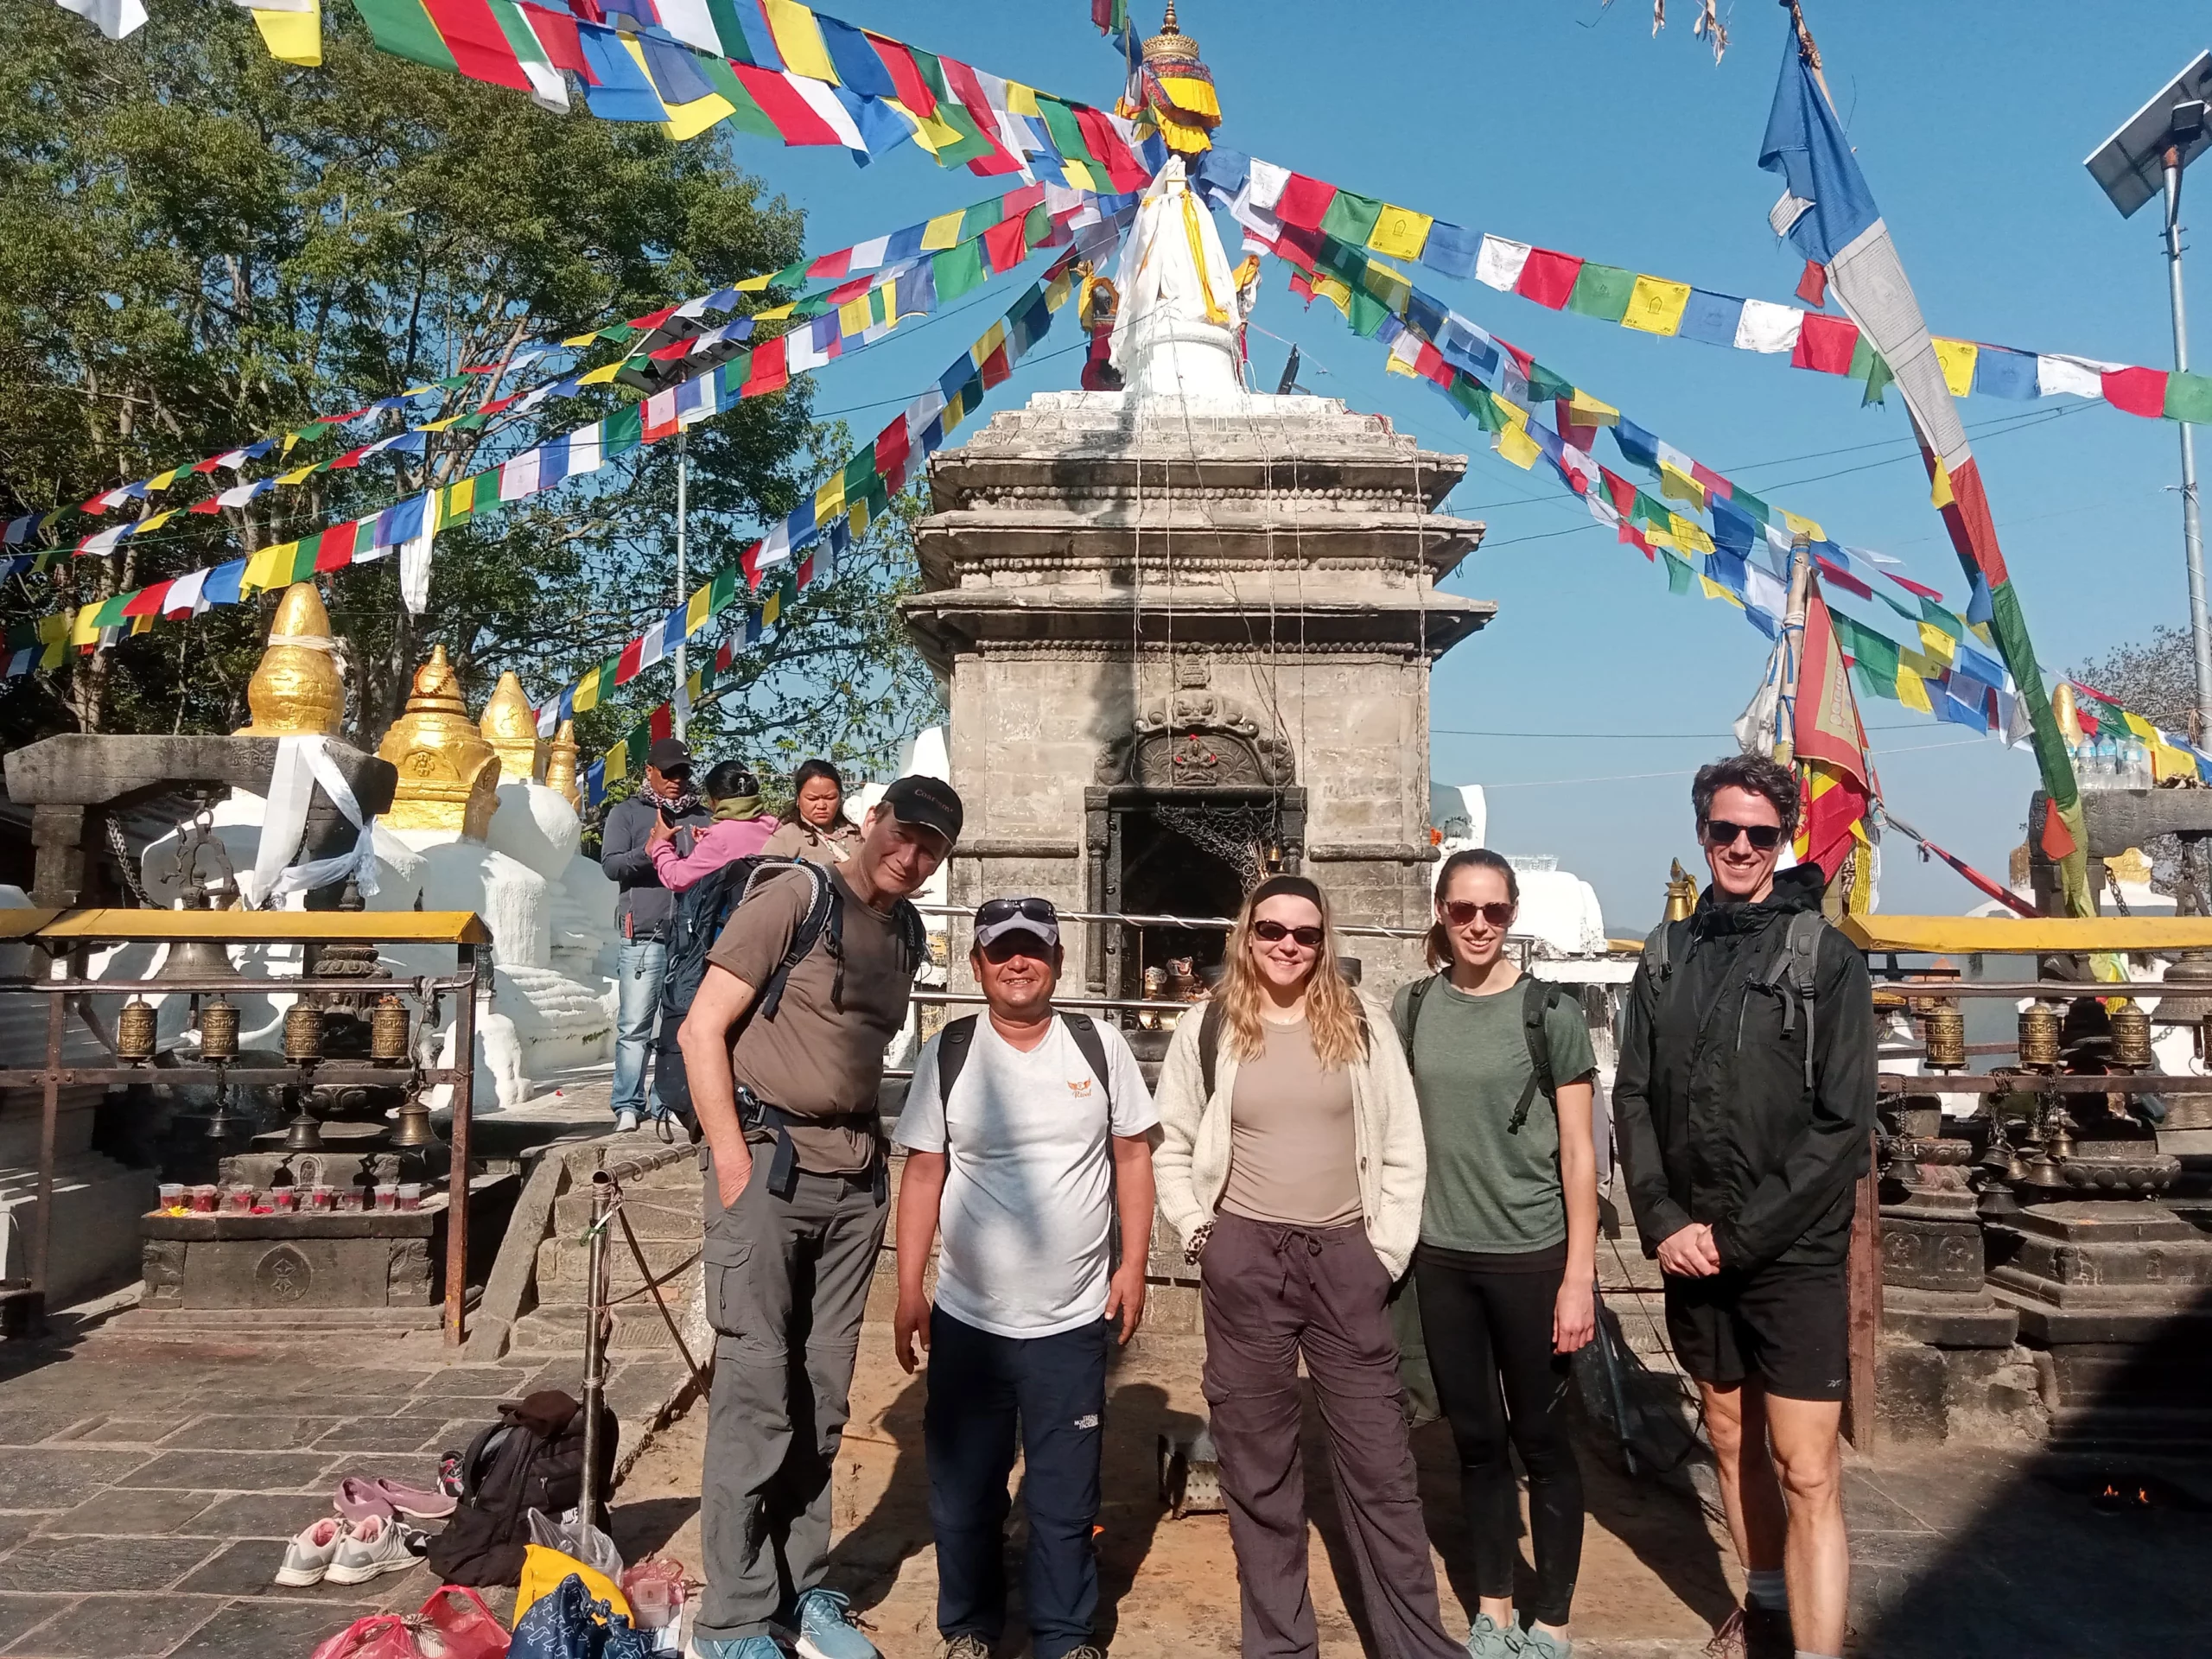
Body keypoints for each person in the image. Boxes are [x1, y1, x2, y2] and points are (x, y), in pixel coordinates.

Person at [677, 773, 963, 1659]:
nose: (909, 858)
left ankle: (801, 1593)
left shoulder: (906, 929)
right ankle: (730, 1616)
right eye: (902, 834)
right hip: (768, 1162)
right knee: (757, 1393)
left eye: (930, 849)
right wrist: (731, 1160)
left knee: (823, 1397)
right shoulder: (796, 896)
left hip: (852, 1176)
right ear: (870, 822)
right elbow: (702, 1029)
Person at [1153, 874, 1460, 1659]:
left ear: (1325, 942)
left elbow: (1401, 1146)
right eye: (1271, 931)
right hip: (1247, 1257)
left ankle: (1415, 1646)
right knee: (1258, 1473)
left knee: (1381, 1469)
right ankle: (1283, 1647)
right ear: (1245, 936)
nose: (1288, 945)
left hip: (1345, 1259)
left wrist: (1383, 1252)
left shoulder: (1360, 1023)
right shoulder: (1209, 1027)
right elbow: (1174, 1144)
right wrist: (1200, 1234)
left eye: (1306, 934)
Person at [1611, 756, 1875, 1659]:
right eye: (1724, 831)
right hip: (1691, 1243)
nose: (1740, 848)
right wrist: (1660, 1220)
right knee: (1727, 1435)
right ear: (1701, 833)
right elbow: (1633, 1098)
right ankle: (1765, 1608)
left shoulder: (1825, 959)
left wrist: (1737, 1237)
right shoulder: (1666, 954)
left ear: (1782, 839)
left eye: (1759, 834)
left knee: (1807, 1469)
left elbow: (1841, 1127)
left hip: (1788, 1253)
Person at [893, 896, 1158, 1659]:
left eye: (1033, 950)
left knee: (1065, 1495)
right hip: (970, 1318)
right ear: (976, 965)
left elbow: (1133, 1158)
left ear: (1058, 961)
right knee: (965, 1489)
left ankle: (1065, 1632)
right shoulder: (949, 1053)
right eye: (1002, 950)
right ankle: (970, 1627)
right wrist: (911, 1290)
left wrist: (1132, 1268)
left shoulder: (1097, 1046)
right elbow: (923, 1175)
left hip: (1072, 1321)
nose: (1018, 963)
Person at [1394, 849, 1599, 1659]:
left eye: (1495, 912)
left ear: (1512, 916)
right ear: (1440, 914)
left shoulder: (1551, 1014)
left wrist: (1578, 1277)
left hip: (1532, 1258)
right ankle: (1494, 1604)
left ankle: (1552, 1617)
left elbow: (1581, 1154)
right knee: (1475, 1442)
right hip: (1443, 1259)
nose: (1479, 926)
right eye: (1463, 911)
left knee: (1543, 1444)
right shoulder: (1412, 1009)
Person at [599, 735, 709, 1134]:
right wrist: (652, 849)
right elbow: (611, 866)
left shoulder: (701, 816)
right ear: (650, 772)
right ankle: (628, 1102)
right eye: (669, 773)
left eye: (683, 773)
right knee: (634, 1026)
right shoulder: (627, 813)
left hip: (692, 938)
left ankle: (667, 1101)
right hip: (643, 933)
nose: (677, 780)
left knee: (677, 1024)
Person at [647, 760, 783, 891]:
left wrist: (661, 844)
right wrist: (706, 842)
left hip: (738, 912)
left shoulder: (720, 836)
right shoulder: (775, 825)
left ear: (715, 799)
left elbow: (676, 878)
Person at [761, 758, 863, 866]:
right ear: (798, 799)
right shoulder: (785, 839)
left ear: (840, 797)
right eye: (812, 798)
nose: (822, 806)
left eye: (830, 798)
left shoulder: (859, 833)